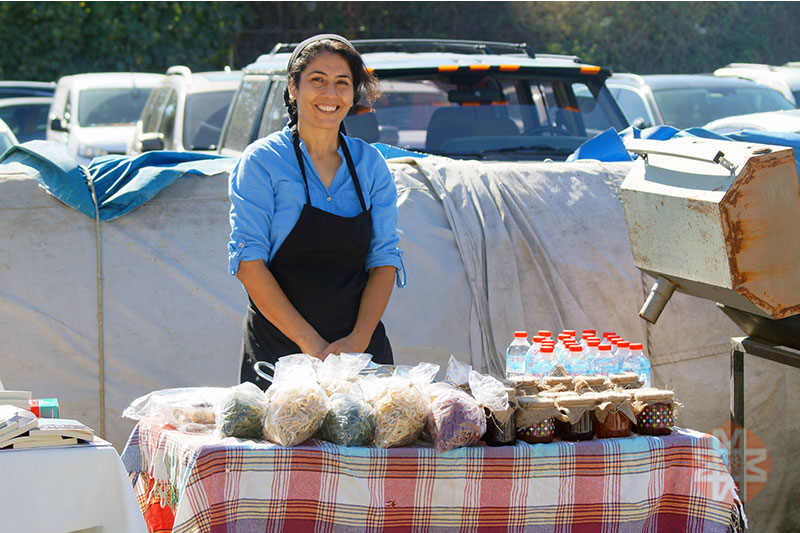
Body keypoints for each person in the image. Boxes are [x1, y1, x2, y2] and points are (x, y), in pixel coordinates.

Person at [228, 34, 405, 388]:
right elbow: (248, 264)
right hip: (280, 357)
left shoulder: (370, 165)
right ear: (293, 88)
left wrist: (355, 344)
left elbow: (384, 260)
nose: (330, 94)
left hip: (360, 357)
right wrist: (315, 348)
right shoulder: (263, 162)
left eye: (342, 83)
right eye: (317, 81)